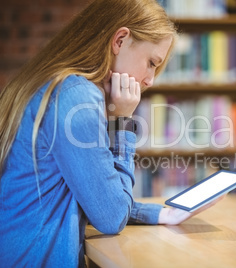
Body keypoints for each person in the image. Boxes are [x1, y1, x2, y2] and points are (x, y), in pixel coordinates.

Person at [0, 0, 223, 267]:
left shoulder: (56, 84)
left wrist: (158, 214)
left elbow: (93, 195)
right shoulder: (77, 97)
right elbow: (111, 218)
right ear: (119, 40)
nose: (151, 80)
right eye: (151, 62)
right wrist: (122, 122)